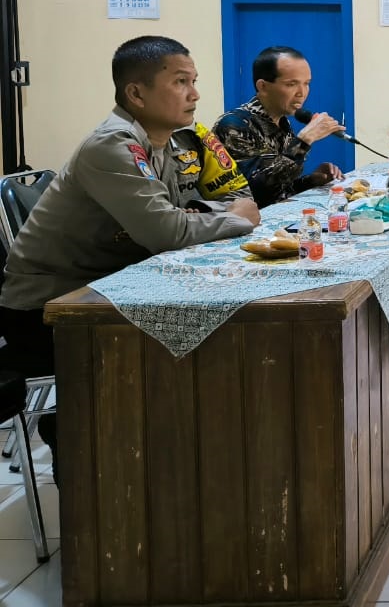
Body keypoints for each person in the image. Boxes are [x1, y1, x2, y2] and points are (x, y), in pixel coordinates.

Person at [0, 36, 261, 479]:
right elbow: (166, 232)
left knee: (213, 336)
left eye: (194, 81)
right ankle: (82, 438)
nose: (195, 94)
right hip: (48, 311)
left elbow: (180, 213)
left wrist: (221, 213)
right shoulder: (113, 146)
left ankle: (189, 468)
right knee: (205, 345)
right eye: (181, 82)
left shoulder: (163, 144)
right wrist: (239, 219)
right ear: (135, 93)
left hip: (100, 291)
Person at [214, 46, 348, 207]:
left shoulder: (282, 122)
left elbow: (279, 190)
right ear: (262, 86)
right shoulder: (233, 125)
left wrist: (311, 180)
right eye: (291, 84)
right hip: (246, 224)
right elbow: (257, 191)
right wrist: (303, 141)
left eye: (307, 83)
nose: (302, 92)